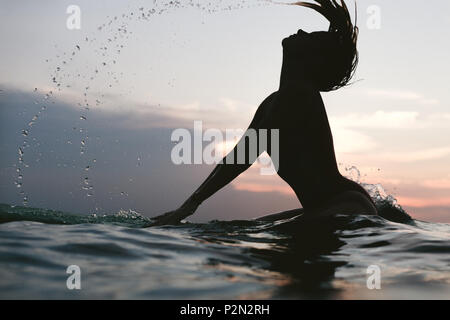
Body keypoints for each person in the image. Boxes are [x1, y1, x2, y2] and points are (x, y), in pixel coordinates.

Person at [151, 0, 377, 226]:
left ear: (314, 59)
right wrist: (188, 205)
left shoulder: (298, 96)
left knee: (244, 231)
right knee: (248, 225)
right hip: (327, 204)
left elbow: (244, 155)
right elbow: (236, 156)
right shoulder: (273, 102)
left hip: (345, 205)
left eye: (310, 37)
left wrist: (188, 206)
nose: (300, 31)